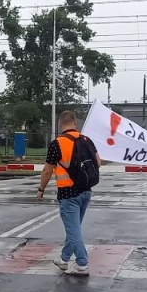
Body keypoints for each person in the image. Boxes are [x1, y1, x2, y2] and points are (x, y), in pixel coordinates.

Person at [36, 110, 100, 277]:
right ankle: (64, 259)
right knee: (74, 228)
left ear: (59, 125)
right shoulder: (86, 140)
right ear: (75, 124)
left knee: (74, 231)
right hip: (86, 191)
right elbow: (98, 162)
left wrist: (41, 190)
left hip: (68, 193)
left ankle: (82, 264)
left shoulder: (57, 143)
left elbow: (47, 171)